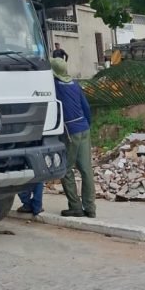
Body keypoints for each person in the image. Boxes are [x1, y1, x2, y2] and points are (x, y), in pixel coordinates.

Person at [51, 57, 96, 218]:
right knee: (86, 169)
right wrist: (87, 125)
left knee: (66, 169)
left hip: (70, 131)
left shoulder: (55, 86)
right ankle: (90, 208)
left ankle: (75, 206)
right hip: (84, 127)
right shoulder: (75, 84)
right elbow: (86, 107)